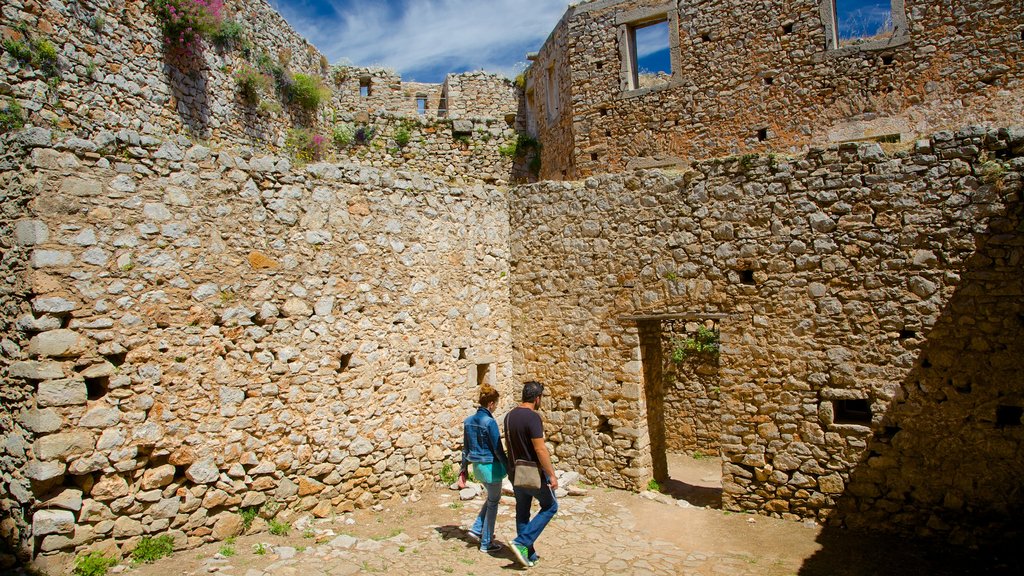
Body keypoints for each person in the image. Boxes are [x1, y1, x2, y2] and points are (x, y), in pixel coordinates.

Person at [504, 380, 558, 568]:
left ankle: (528, 555)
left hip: (516, 472)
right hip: (532, 472)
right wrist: (551, 474)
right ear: (537, 398)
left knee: (522, 513)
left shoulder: (509, 416)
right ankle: (522, 542)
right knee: (551, 506)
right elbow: (540, 449)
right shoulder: (533, 418)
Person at [460, 384, 509, 554]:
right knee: (494, 502)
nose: (496, 407)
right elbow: (497, 449)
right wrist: (509, 467)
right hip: (491, 467)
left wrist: (463, 471)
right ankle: (486, 543)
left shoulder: (468, 421)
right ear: (491, 404)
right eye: (496, 404)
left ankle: (476, 529)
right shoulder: (490, 422)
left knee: (491, 499)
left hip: (477, 467)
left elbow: (465, 449)